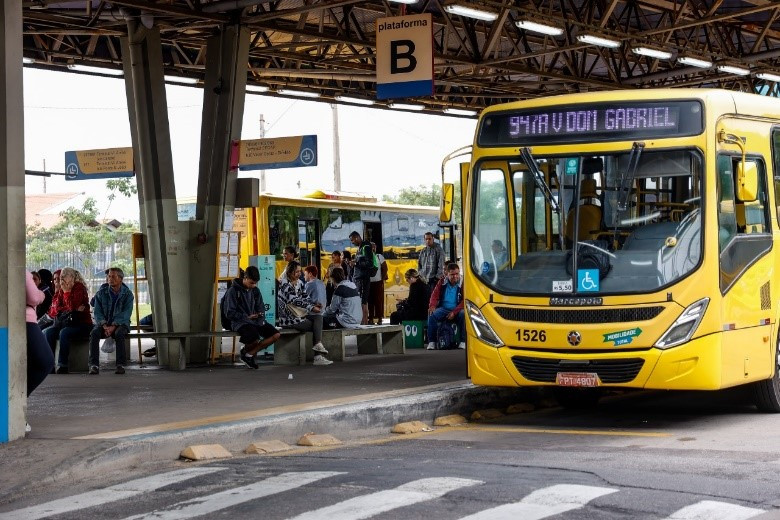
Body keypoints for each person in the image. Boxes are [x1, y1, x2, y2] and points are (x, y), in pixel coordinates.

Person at [224, 265, 280, 369]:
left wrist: (260, 319)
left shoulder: (255, 291)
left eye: (255, 283)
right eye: (251, 283)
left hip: (255, 321)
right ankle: (246, 352)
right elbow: (229, 313)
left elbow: (261, 307)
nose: (253, 285)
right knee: (254, 337)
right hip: (240, 322)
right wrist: (247, 317)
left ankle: (248, 354)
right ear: (245, 278)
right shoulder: (233, 291)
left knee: (275, 335)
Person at [277, 261, 333, 365]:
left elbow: (304, 296)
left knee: (318, 318)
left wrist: (314, 303)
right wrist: (311, 307)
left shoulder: (299, 283)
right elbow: (294, 300)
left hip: (299, 315)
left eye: (300, 271)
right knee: (317, 325)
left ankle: (318, 348)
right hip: (289, 319)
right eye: (296, 272)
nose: (300, 274)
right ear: (290, 272)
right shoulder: (285, 285)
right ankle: (317, 355)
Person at [43, 267, 93, 373]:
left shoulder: (79, 288)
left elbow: (72, 305)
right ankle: (50, 365)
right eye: (61, 276)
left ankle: (63, 365)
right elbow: (57, 308)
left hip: (82, 324)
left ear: (72, 277)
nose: (62, 279)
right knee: (49, 332)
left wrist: (67, 293)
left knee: (64, 333)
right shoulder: (62, 289)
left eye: (64, 276)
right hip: (66, 322)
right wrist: (71, 308)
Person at [89, 267, 134, 375]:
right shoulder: (101, 293)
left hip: (121, 324)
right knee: (94, 333)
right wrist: (104, 325)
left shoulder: (128, 294)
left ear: (120, 279)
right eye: (109, 276)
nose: (110, 279)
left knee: (119, 333)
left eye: (113, 276)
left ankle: (120, 365)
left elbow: (126, 314)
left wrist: (113, 326)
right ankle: (94, 365)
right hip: (104, 323)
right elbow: (97, 312)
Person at [25, 270, 54, 398]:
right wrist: (41, 295)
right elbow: (34, 297)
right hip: (26, 320)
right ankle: (17, 397)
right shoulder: (19, 269)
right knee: (45, 361)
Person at [426, 262, 466, 350]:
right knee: (432, 314)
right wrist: (432, 305)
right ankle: (432, 342)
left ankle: (463, 341)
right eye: (452, 274)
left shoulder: (463, 282)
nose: (455, 276)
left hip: (457, 310)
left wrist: (454, 312)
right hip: (443, 309)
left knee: (463, 314)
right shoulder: (442, 281)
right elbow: (434, 295)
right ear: (447, 274)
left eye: (457, 274)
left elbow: (465, 300)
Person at [348, 230, 372, 325]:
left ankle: (364, 323)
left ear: (357, 237)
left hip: (363, 279)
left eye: (352, 240)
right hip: (359, 279)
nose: (352, 242)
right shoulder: (361, 247)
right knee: (362, 302)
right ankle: (363, 323)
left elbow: (369, 263)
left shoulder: (366, 247)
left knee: (363, 302)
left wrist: (356, 263)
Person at [417, 231, 445, 300]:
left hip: (433, 280)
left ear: (433, 239)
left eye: (429, 239)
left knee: (433, 299)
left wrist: (437, 278)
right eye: (426, 239)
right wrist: (421, 275)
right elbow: (419, 265)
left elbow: (441, 265)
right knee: (425, 299)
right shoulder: (423, 251)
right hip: (424, 280)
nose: (428, 241)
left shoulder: (438, 249)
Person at [367, 242, 388, 325]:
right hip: (369, 282)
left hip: (378, 282)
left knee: (378, 301)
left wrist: (382, 279)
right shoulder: (366, 257)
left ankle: (379, 318)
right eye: (371, 247)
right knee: (370, 301)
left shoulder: (379, 257)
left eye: (374, 247)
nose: (373, 249)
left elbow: (385, 268)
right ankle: (371, 318)